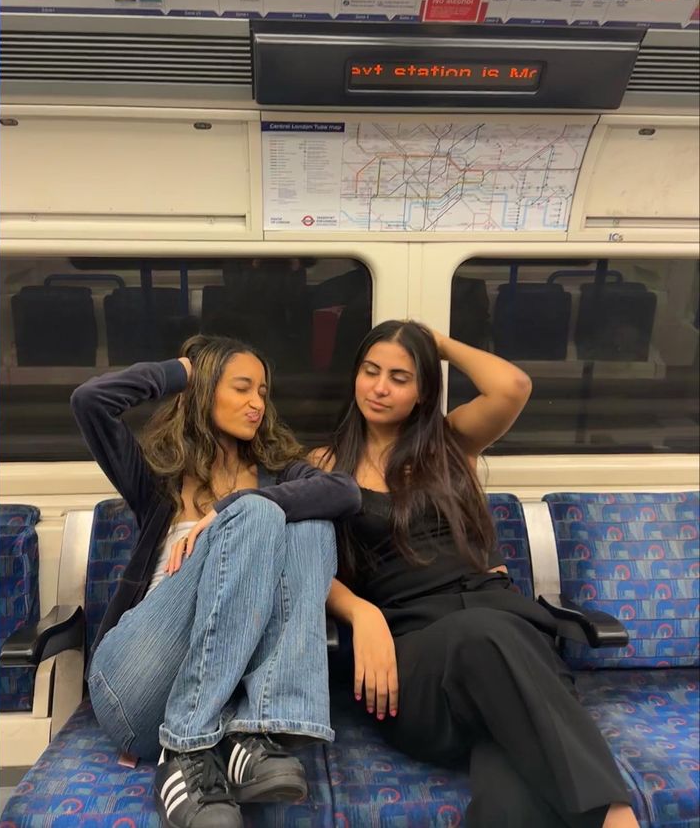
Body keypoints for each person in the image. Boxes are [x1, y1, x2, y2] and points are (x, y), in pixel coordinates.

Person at [312, 320, 640, 828]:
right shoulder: (323, 465)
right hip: (413, 660)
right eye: (370, 371)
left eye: (400, 377)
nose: (379, 387)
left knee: (514, 787)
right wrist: (362, 613)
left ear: (424, 391)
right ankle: (613, 817)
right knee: (487, 635)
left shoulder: (449, 444)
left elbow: (513, 386)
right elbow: (298, 560)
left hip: (505, 638)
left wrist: (433, 343)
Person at [71, 334, 361, 828]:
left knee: (307, 519)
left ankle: (260, 725)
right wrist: (181, 371)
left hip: (230, 707)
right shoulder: (158, 480)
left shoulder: (274, 474)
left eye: (263, 392)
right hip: (139, 681)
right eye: (242, 388)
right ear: (205, 391)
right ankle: (183, 747)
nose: (256, 403)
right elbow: (91, 402)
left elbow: (345, 492)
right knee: (255, 513)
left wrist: (228, 509)